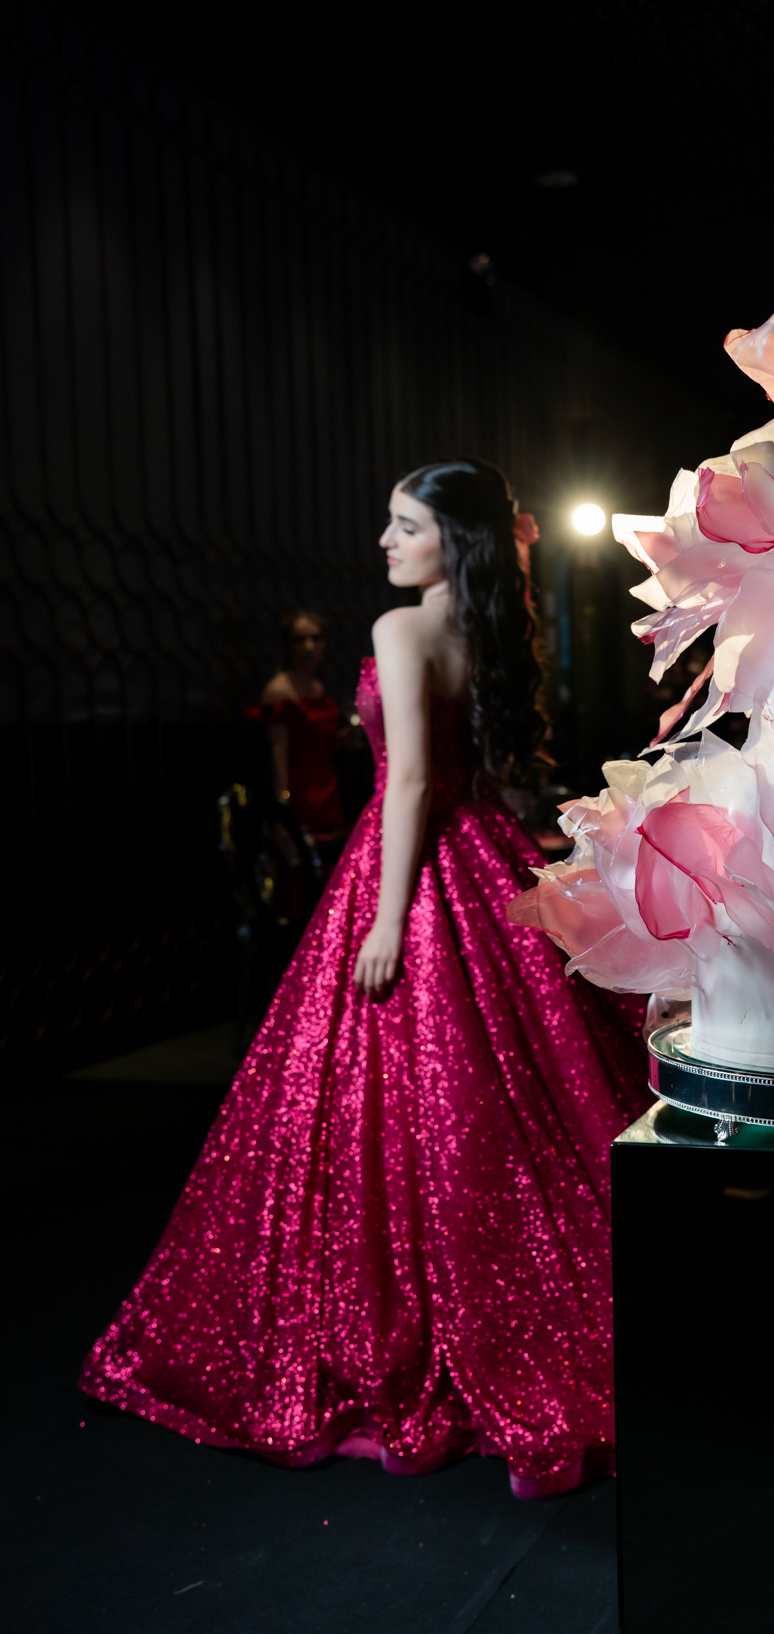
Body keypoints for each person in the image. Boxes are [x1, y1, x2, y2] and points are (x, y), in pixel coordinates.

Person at [80, 458, 649, 1498]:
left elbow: (414, 782)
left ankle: (394, 1330)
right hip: (481, 853)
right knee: (496, 1093)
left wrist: (386, 918)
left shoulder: (401, 630)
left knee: (384, 1097)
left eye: (404, 525)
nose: (384, 541)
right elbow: (474, 777)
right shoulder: (482, 631)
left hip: (413, 867)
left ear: (452, 539)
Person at [252, 610, 347, 861]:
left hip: (326, 787)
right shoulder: (279, 690)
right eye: (299, 640)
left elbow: (321, 744)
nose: (309, 647)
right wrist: (283, 808)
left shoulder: (318, 688)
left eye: (315, 639)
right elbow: (278, 752)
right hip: (297, 789)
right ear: (286, 646)